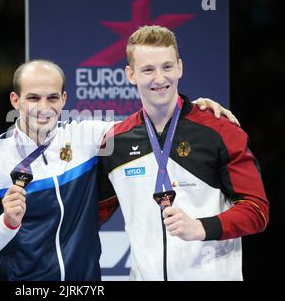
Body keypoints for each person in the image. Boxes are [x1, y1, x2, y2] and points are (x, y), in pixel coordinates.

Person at [0, 59, 238, 281]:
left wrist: (195, 109)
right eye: (33, 98)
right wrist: (7, 222)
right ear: (15, 100)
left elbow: (149, 125)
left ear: (64, 98)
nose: (44, 108)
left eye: (52, 98)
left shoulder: (87, 137)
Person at [97, 25, 269, 281]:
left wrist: (201, 227)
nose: (159, 78)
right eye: (148, 70)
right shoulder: (115, 141)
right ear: (131, 75)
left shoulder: (220, 130)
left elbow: (257, 210)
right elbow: (89, 214)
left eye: (167, 67)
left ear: (180, 67)